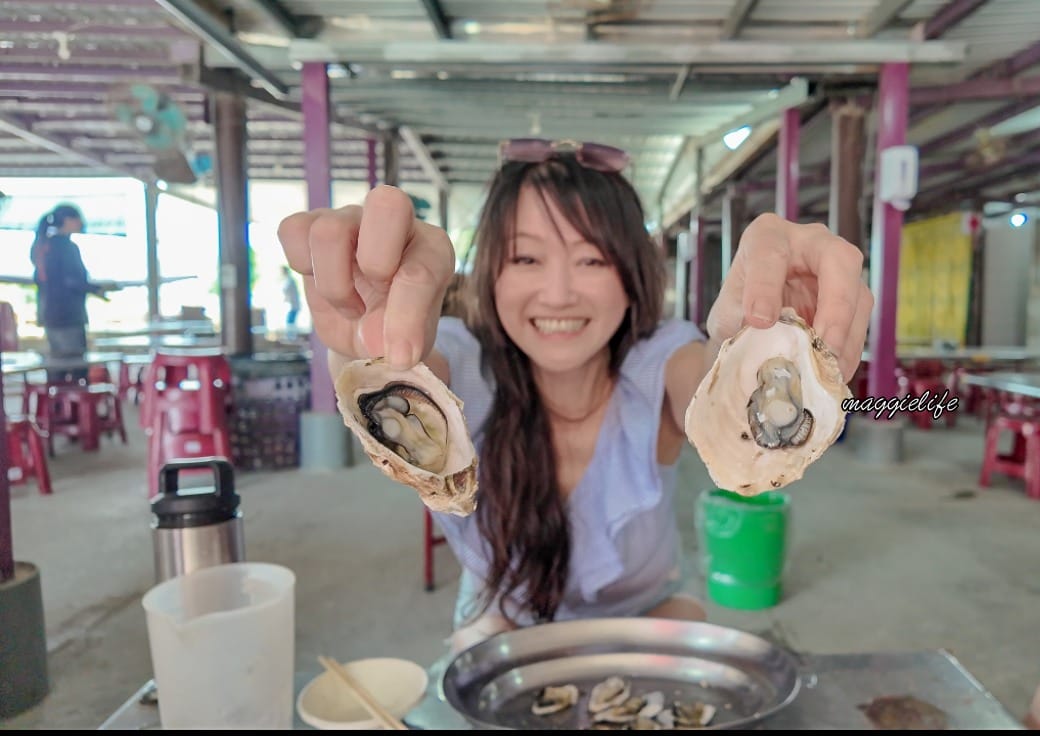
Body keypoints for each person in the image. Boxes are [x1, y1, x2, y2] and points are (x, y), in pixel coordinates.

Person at [278, 138, 873, 652]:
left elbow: (713, 390)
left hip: (653, 615)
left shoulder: (660, 360)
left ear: (631, 274)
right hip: (500, 618)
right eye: (527, 257)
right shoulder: (462, 363)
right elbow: (395, 369)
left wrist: (761, 342)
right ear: (491, 272)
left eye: (591, 258)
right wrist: (364, 328)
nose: (559, 293)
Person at [30, 204, 114, 382]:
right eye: (78, 218)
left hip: (50, 316)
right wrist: (96, 289)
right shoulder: (66, 247)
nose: (81, 222)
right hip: (68, 316)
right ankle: (73, 400)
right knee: (77, 370)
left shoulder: (45, 246)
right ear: (67, 220)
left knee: (58, 367)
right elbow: (71, 280)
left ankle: (56, 399)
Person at [281, 264, 301, 336]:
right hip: (292, 305)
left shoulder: (290, 281)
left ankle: (291, 337)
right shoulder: (288, 280)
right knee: (290, 322)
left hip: (293, 306)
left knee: (290, 323)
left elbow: (286, 291)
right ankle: (291, 336)